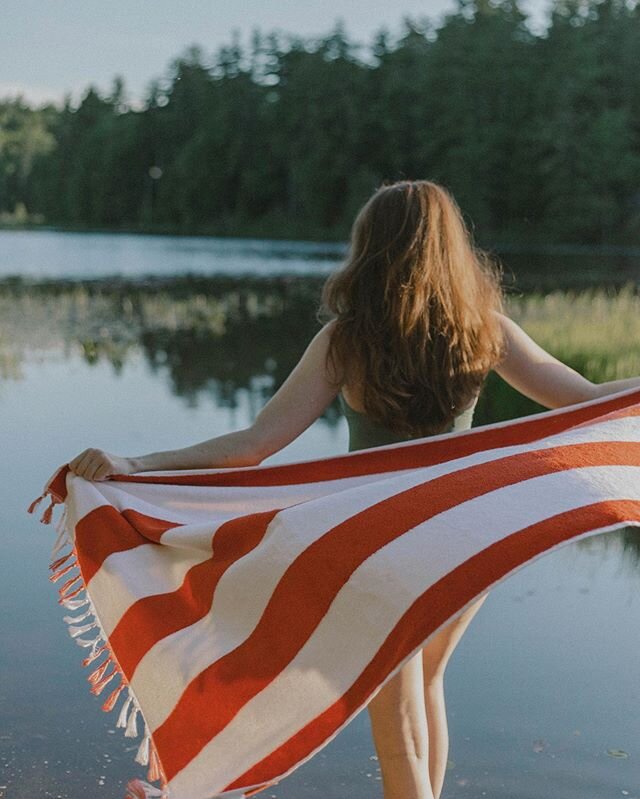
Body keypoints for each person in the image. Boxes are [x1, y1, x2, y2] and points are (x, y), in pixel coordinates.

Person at [68, 180, 640, 799]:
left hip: (377, 543)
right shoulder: (483, 329)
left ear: (371, 249)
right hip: (462, 535)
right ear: (451, 249)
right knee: (425, 681)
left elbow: (257, 445)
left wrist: (140, 462)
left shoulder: (347, 341)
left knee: (395, 711)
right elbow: (584, 401)